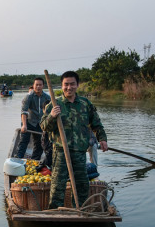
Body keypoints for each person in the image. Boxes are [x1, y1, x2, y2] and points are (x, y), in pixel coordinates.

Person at [40, 71, 108, 209]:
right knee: (58, 186)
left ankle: (80, 210)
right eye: (66, 84)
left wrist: (102, 139)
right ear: (62, 86)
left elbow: (96, 123)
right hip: (60, 152)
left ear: (77, 85)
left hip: (79, 152)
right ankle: (55, 213)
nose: (69, 88)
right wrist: (52, 116)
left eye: (72, 84)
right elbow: (44, 126)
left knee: (82, 184)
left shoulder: (85, 104)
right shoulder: (54, 104)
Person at [16, 77, 51, 160]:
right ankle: (18, 159)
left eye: (40, 85)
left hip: (40, 122)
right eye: (36, 85)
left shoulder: (47, 97)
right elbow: (24, 112)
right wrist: (24, 125)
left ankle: (35, 160)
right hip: (29, 122)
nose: (38, 87)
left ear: (43, 86)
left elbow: (49, 112)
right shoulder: (28, 97)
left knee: (39, 144)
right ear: (33, 85)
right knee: (24, 141)